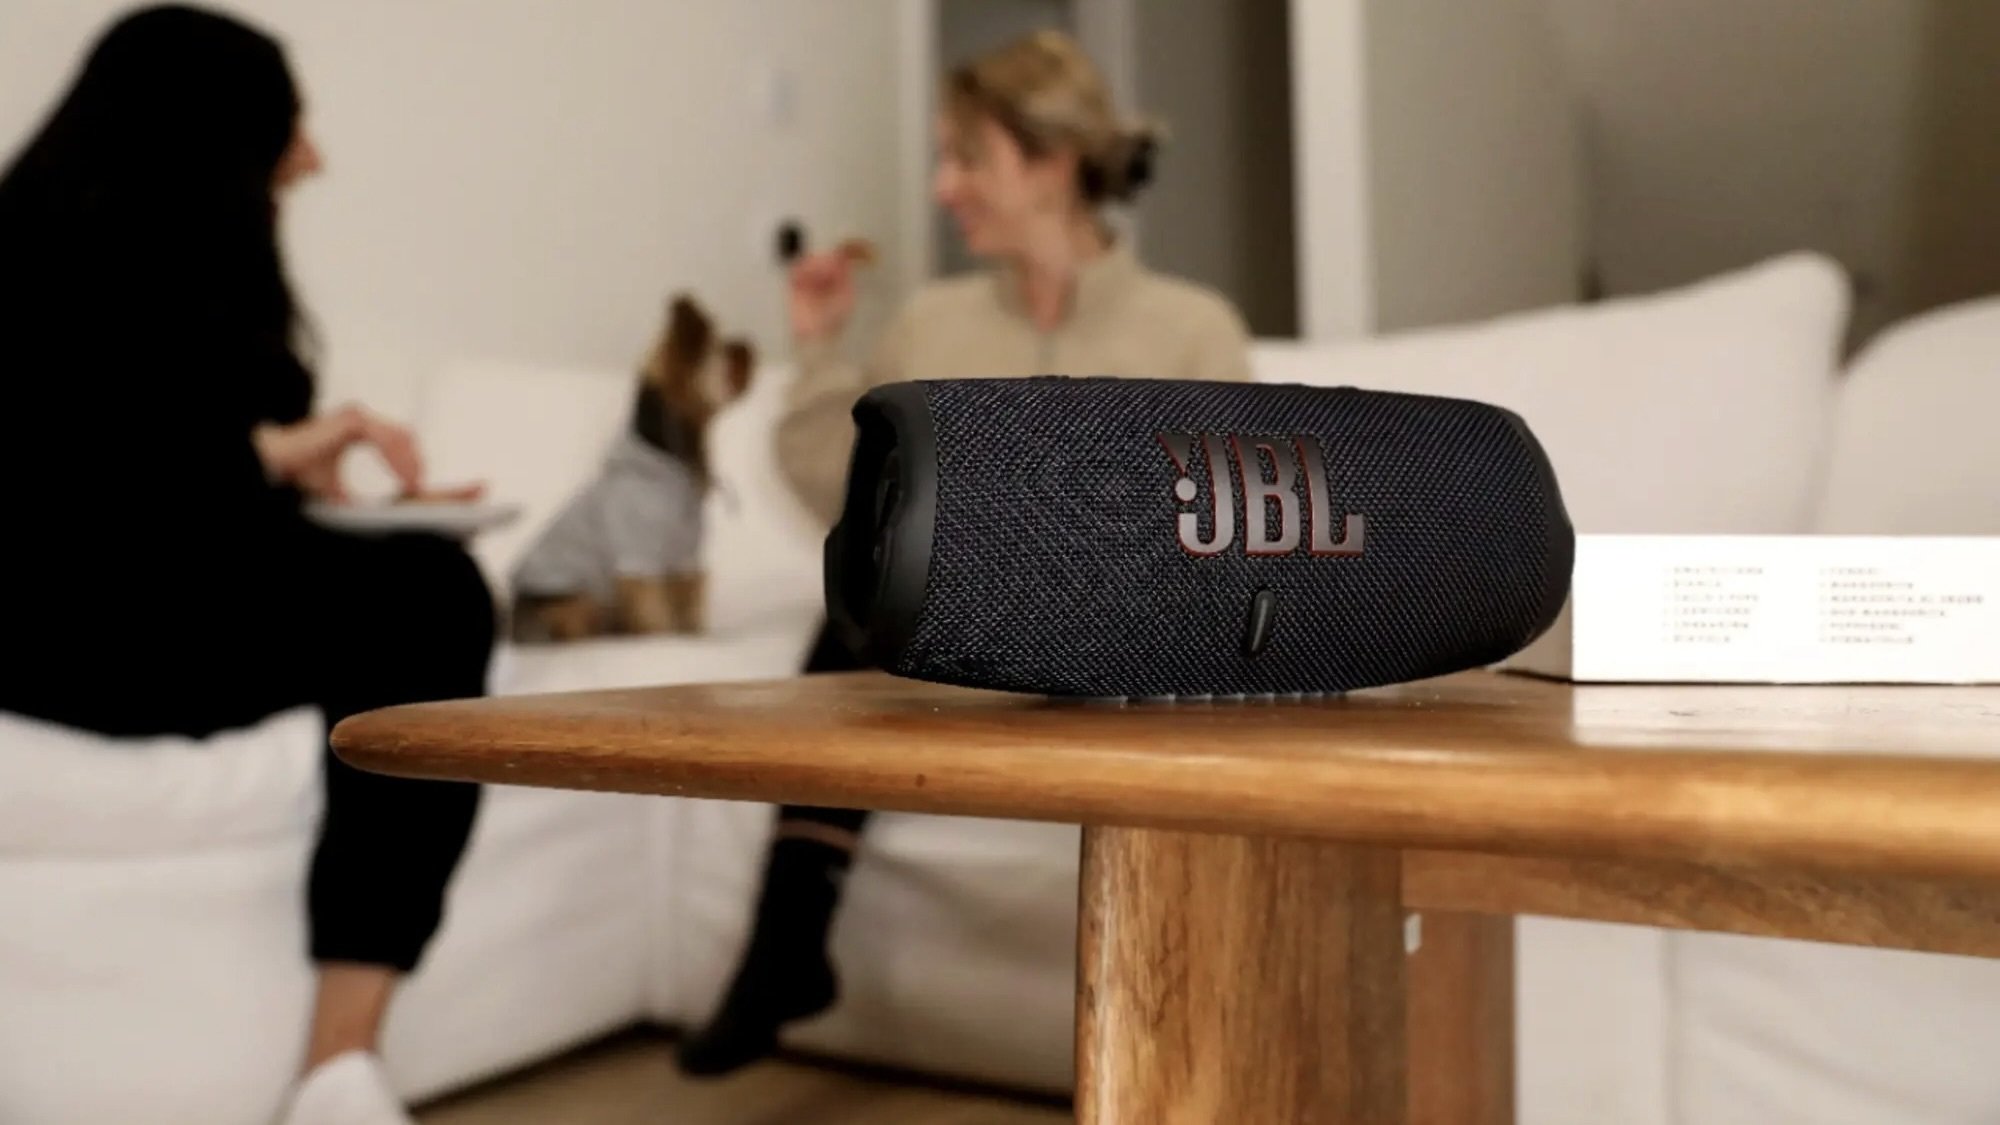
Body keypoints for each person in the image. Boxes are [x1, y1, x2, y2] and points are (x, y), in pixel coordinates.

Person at [676, 28, 1255, 1077]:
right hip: (960, 641)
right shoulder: (930, 324)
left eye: (967, 159)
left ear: (1051, 161)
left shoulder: (1190, 328)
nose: (943, 188)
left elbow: (1226, 528)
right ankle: (786, 946)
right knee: (852, 605)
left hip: (1125, 647)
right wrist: (821, 346)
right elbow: (849, 494)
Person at [0, 7, 491, 1122]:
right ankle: (337, 1068)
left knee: (427, 586)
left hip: (178, 603)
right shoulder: (23, 274)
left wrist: (324, 492)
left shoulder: (216, 281)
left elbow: (200, 490)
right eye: (287, 125)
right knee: (429, 598)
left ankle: (338, 1070)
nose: (309, 157)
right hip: (62, 631)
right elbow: (70, 493)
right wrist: (262, 455)